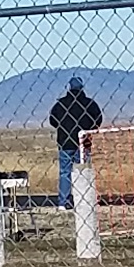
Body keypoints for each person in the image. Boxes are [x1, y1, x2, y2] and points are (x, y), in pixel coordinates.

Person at [47, 75, 102, 209]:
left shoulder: (60, 104)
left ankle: (63, 202)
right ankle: (83, 200)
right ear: (82, 88)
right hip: (83, 142)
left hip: (65, 142)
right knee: (82, 170)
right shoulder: (89, 104)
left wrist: (63, 128)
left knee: (65, 172)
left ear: (69, 88)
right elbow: (98, 119)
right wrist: (89, 128)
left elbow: (53, 120)